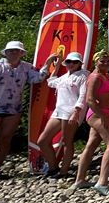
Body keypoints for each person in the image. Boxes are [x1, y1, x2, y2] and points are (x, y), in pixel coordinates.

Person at [0, 41, 56, 180]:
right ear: (5, 52)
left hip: (13, 109)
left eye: (17, 51)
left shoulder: (25, 67)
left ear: (21, 53)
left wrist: (48, 63)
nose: (14, 53)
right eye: (11, 51)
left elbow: (38, 78)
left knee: (5, 140)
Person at [73, 50, 109, 195]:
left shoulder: (105, 75)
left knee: (92, 144)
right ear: (96, 62)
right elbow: (90, 100)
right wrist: (104, 118)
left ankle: (80, 180)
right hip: (97, 115)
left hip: (100, 115)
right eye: (102, 61)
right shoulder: (94, 77)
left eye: (107, 61)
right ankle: (102, 182)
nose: (106, 63)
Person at [37, 50, 89, 178]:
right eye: (69, 62)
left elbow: (83, 95)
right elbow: (51, 82)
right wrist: (53, 64)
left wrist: (76, 112)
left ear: (79, 64)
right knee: (42, 141)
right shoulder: (64, 77)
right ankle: (53, 167)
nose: (71, 64)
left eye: (75, 62)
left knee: (67, 142)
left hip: (71, 112)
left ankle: (64, 171)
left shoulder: (83, 76)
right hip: (59, 112)